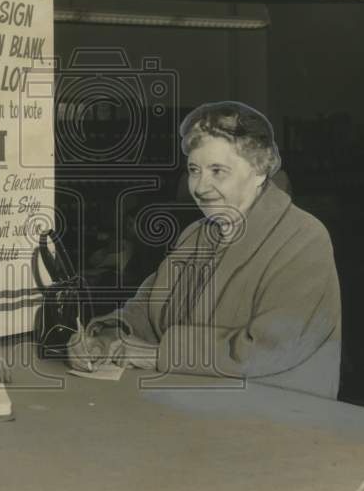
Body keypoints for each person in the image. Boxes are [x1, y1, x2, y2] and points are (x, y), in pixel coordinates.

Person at [67, 101, 342, 397]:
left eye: (217, 171)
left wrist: (158, 355)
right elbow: (146, 310)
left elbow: (268, 348)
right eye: (194, 170)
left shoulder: (303, 238)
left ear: (260, 170)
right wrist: (107, 336)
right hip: (199, 408)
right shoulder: (196, 235)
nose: (199, 187)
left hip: (283, 419)